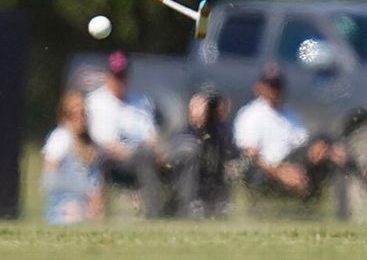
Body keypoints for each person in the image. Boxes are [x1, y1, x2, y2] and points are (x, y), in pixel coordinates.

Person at [233, 65, 351, 200]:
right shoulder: (250, 114)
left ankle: (356, 194)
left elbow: (302, 144)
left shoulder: (291, 115)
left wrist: (319, 153)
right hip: (266, 171)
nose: (275, 90)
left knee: (325, 142)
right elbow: (249, 155)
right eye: (271, 85)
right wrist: (279, 172)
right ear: (259, 87)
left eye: (278, 85)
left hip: (294, 164)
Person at [84, 51, 167, 217]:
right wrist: (136, 153)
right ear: (107, 76)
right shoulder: (95, 102)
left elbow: (151, 137)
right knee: (144, 157)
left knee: (181, 154)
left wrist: (158, 153)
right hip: (112, 161)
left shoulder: (141, 102)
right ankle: (154, 214)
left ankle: (180, 211)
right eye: (116, 76)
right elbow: (103, 143)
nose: (120, 80)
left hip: (142, 158)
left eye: (122, 75)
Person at [166, 91, 235, 218]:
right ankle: (190, 206)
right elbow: (178, 154)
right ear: (191, 110)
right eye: (201, 106)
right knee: (191, 153)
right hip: (191, 183)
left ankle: (223, 205)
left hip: (214, 183)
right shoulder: (184, 133)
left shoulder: (224, 133)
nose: (207, 111)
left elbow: (234, 152)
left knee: (232, 165)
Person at [41, 91, 105, 225]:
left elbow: (95, 181)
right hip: (64, 206)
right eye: (75, 114)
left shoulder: (91, 144)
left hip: (87, 206)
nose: (80, 118)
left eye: (83, 113)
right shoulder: (60, 138)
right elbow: (50, 178)